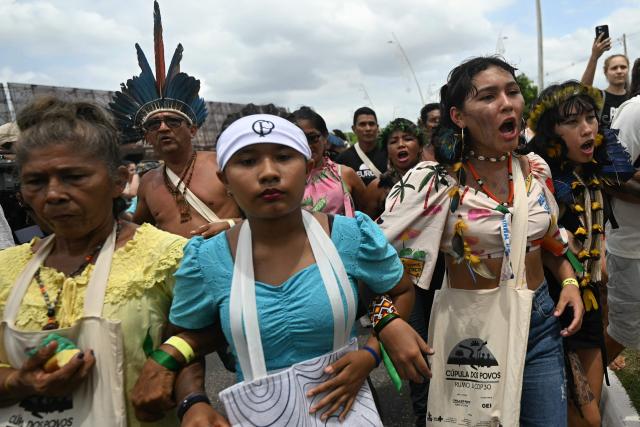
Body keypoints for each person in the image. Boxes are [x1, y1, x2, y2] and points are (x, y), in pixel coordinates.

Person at [132, 114, 432, 426]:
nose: (269, 173)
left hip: (347, 408)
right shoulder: (206, 260)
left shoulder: (351, 236)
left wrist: (372, 351)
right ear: (225, 181)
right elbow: (185, 338)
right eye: (247, 161)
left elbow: (398, 290)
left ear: (307, 167)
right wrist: (193, 402)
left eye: (284, 157)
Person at [378, 56, 584, 426]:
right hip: (471, 335)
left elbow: (551, 244)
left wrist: (568, 282)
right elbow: (373, 263)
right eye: (488, 96)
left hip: (539, 325)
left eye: (512, 92)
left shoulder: (535, 170)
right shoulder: (432, 183)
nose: (507, 103)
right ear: (458, 116)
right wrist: (387, 323)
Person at [0, 97, 185, 427]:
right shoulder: (6, 268)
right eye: (36, 181)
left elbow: (202, 334)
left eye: (74, 177)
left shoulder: (165, 257)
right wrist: (20, 382)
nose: (53, 193)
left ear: (118, 181)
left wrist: (167, 367)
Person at [526, 81, 634, 426]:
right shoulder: (540, 179)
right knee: (582, 417)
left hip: (587, 306)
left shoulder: (595, 170)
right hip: (554, 307)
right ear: (551, 134)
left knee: (592, 410)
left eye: (590, 118)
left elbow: (623, 176)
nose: (587, 128)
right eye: (572, 122)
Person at [109, 1, 240, 239]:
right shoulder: (148, 182)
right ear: (146, 136)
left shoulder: (222, 164)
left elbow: (267, 215)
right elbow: (140, 229)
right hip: (180, 274)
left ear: (192, 129)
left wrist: (232, 224)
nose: (162, 128)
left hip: (234, 265)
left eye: (172, 121)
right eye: (153, 124)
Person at [362, 118, 446, 426]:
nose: (401, 144)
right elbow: (372, 232)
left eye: (408, 138)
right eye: (394, 140)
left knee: (446, 349)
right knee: (418, 356)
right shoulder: (379, 188)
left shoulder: (440, 178)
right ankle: (423, 417)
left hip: (437, 278)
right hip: (399, 282)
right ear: (387, 149)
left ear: (420, 145)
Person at [605, 77, 640, 372]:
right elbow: (609, 176)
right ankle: (581, 390)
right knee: (621, 332)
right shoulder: (635, 111)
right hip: (633, 249)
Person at [290, 106, 366, 216]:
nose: (307, 145)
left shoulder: (345, 174)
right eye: (299, 139)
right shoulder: (285, 179)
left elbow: (367, 213)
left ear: (325, 137)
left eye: (312, 138)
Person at [581, 33, 629, 129]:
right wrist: (594, 57)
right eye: (614, 68)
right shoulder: (599, 97)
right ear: (605, 72)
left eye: (623, 67)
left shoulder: (634, 98)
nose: (619, 71)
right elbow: (582, 91)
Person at [335, 107, 387, 186]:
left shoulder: (389, 153)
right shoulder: (343, 160)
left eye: (371, 124)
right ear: (354, 129)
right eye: (362, 124)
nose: (368, 128)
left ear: (377, 127)